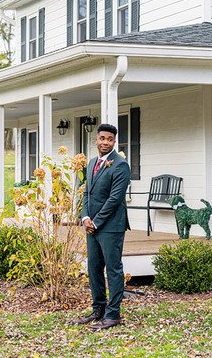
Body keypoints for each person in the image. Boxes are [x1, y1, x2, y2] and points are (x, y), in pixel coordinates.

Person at [74, 123, 131, 330]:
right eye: (102, 138)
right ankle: (98, 309)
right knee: (94, 267)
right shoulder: (91, 163)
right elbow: (86, 193)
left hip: (111, 226)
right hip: (91, 226)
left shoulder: (121, 165)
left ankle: (113, 314)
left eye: (110, 139)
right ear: (96, 140)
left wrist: (96, 222)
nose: (105, 142)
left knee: (113, 269)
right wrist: (85, 218)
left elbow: (115, 199)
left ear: (114, 142)